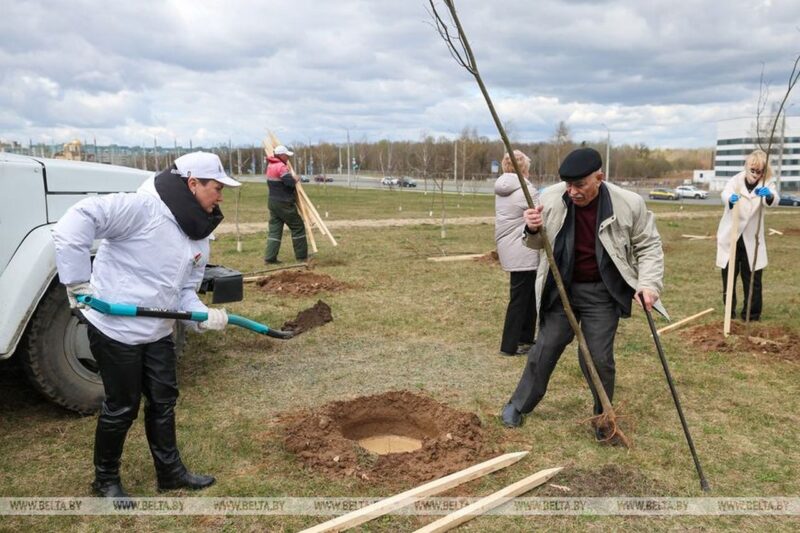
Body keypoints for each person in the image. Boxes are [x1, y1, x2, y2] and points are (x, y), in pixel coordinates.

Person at [52, 151, 241, 498]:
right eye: (216, 187)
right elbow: (75, 221)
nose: (220, 195)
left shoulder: (199, 232)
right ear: (193, 183)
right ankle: (106, 480)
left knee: (163, 400)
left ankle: (170, 473)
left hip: (158, 330)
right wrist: (78, 283)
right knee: (122, 407)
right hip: (116, 328)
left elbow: (185, 290)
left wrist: (202, 316)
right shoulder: (142, 209)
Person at [500, 147, 665, 440]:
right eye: (568, 185)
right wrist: (532, 228)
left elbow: (648, 246)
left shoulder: (628, 204)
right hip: (561, 289)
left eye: (580, 185)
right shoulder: (550, 199)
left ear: (599, 177)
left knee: (598, 357)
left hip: (602, 293)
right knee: (544, 349)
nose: (572, 191)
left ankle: (604, 418)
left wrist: (648, 284)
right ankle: (518, 405)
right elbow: (537, 245)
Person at [715, 149, 779, 321]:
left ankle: (751, 314)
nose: (756, 174)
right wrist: (730, 199)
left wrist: (769, 196)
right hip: (732, 238)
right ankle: (730, 311)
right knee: (729, 278)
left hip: (752, 240)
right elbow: (724, 194)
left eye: (760, 171)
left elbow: (774, 199)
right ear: (747, 166)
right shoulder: (735, 180)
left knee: (752, 280)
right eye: (753, 170)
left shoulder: (767, 183)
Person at [494, 150, 540, 356]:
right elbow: (541, 211)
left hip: (511, 247)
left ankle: (525, 339)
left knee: (527, 296)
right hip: (523, 247)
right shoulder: (524, 190)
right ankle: (509, 346)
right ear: (524, 169)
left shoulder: (503, 187)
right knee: (520, 298)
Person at [264, 145, 308, 264]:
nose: (288, 157)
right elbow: (289, 183)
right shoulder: (281, 167)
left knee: (275, 230)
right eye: (287, 155)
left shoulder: (270, 165)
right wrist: (296, 178)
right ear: (281, 155)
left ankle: (270, 258)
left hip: (272, 201)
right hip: (284, 202)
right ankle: (302, 256)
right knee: (297, 226)